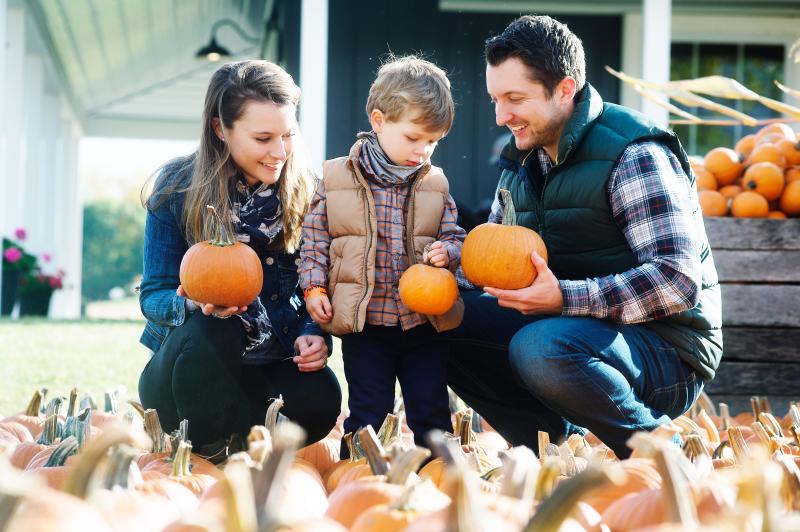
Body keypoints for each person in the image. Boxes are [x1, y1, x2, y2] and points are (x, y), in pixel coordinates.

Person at [449, 15, 722, 458]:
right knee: (448, 320)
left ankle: (662, 453)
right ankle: (557, 450)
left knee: (541, 347)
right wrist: (445, 264)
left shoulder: (633, 154)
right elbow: (491, 262)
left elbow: (678, 281)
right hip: (572, 331)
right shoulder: (521, 162)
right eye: (496, 99)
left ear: (564, 88)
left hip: (666, 349)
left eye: (515, 98)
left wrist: (564, 298)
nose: (502, 116)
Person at [138, 60, 342, 461]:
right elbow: (153, 296)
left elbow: (315, 281)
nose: (280, 152)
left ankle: (243, 442)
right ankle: (201, 449)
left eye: (288, 135)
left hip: (266, 363)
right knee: (216, 329)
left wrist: (313, 330)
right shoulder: (178, 189)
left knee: (321, 396)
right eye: (264, 138)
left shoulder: (307, 191)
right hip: (190, 368)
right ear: (220, 129)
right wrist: (192, 305)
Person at [299, 56, 466, 453]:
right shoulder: (337, 179)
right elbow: (315, 242)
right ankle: (358, 478)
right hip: (367, 325)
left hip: (423, 323)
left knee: (430, 412)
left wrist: (450, 250)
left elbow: (456, 235)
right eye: (413, 138)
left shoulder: (435, 183)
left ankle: (437, 479)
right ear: (379, 120)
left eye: (432, 142)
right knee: (367, 412)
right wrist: (314, 289)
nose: (423, 150)